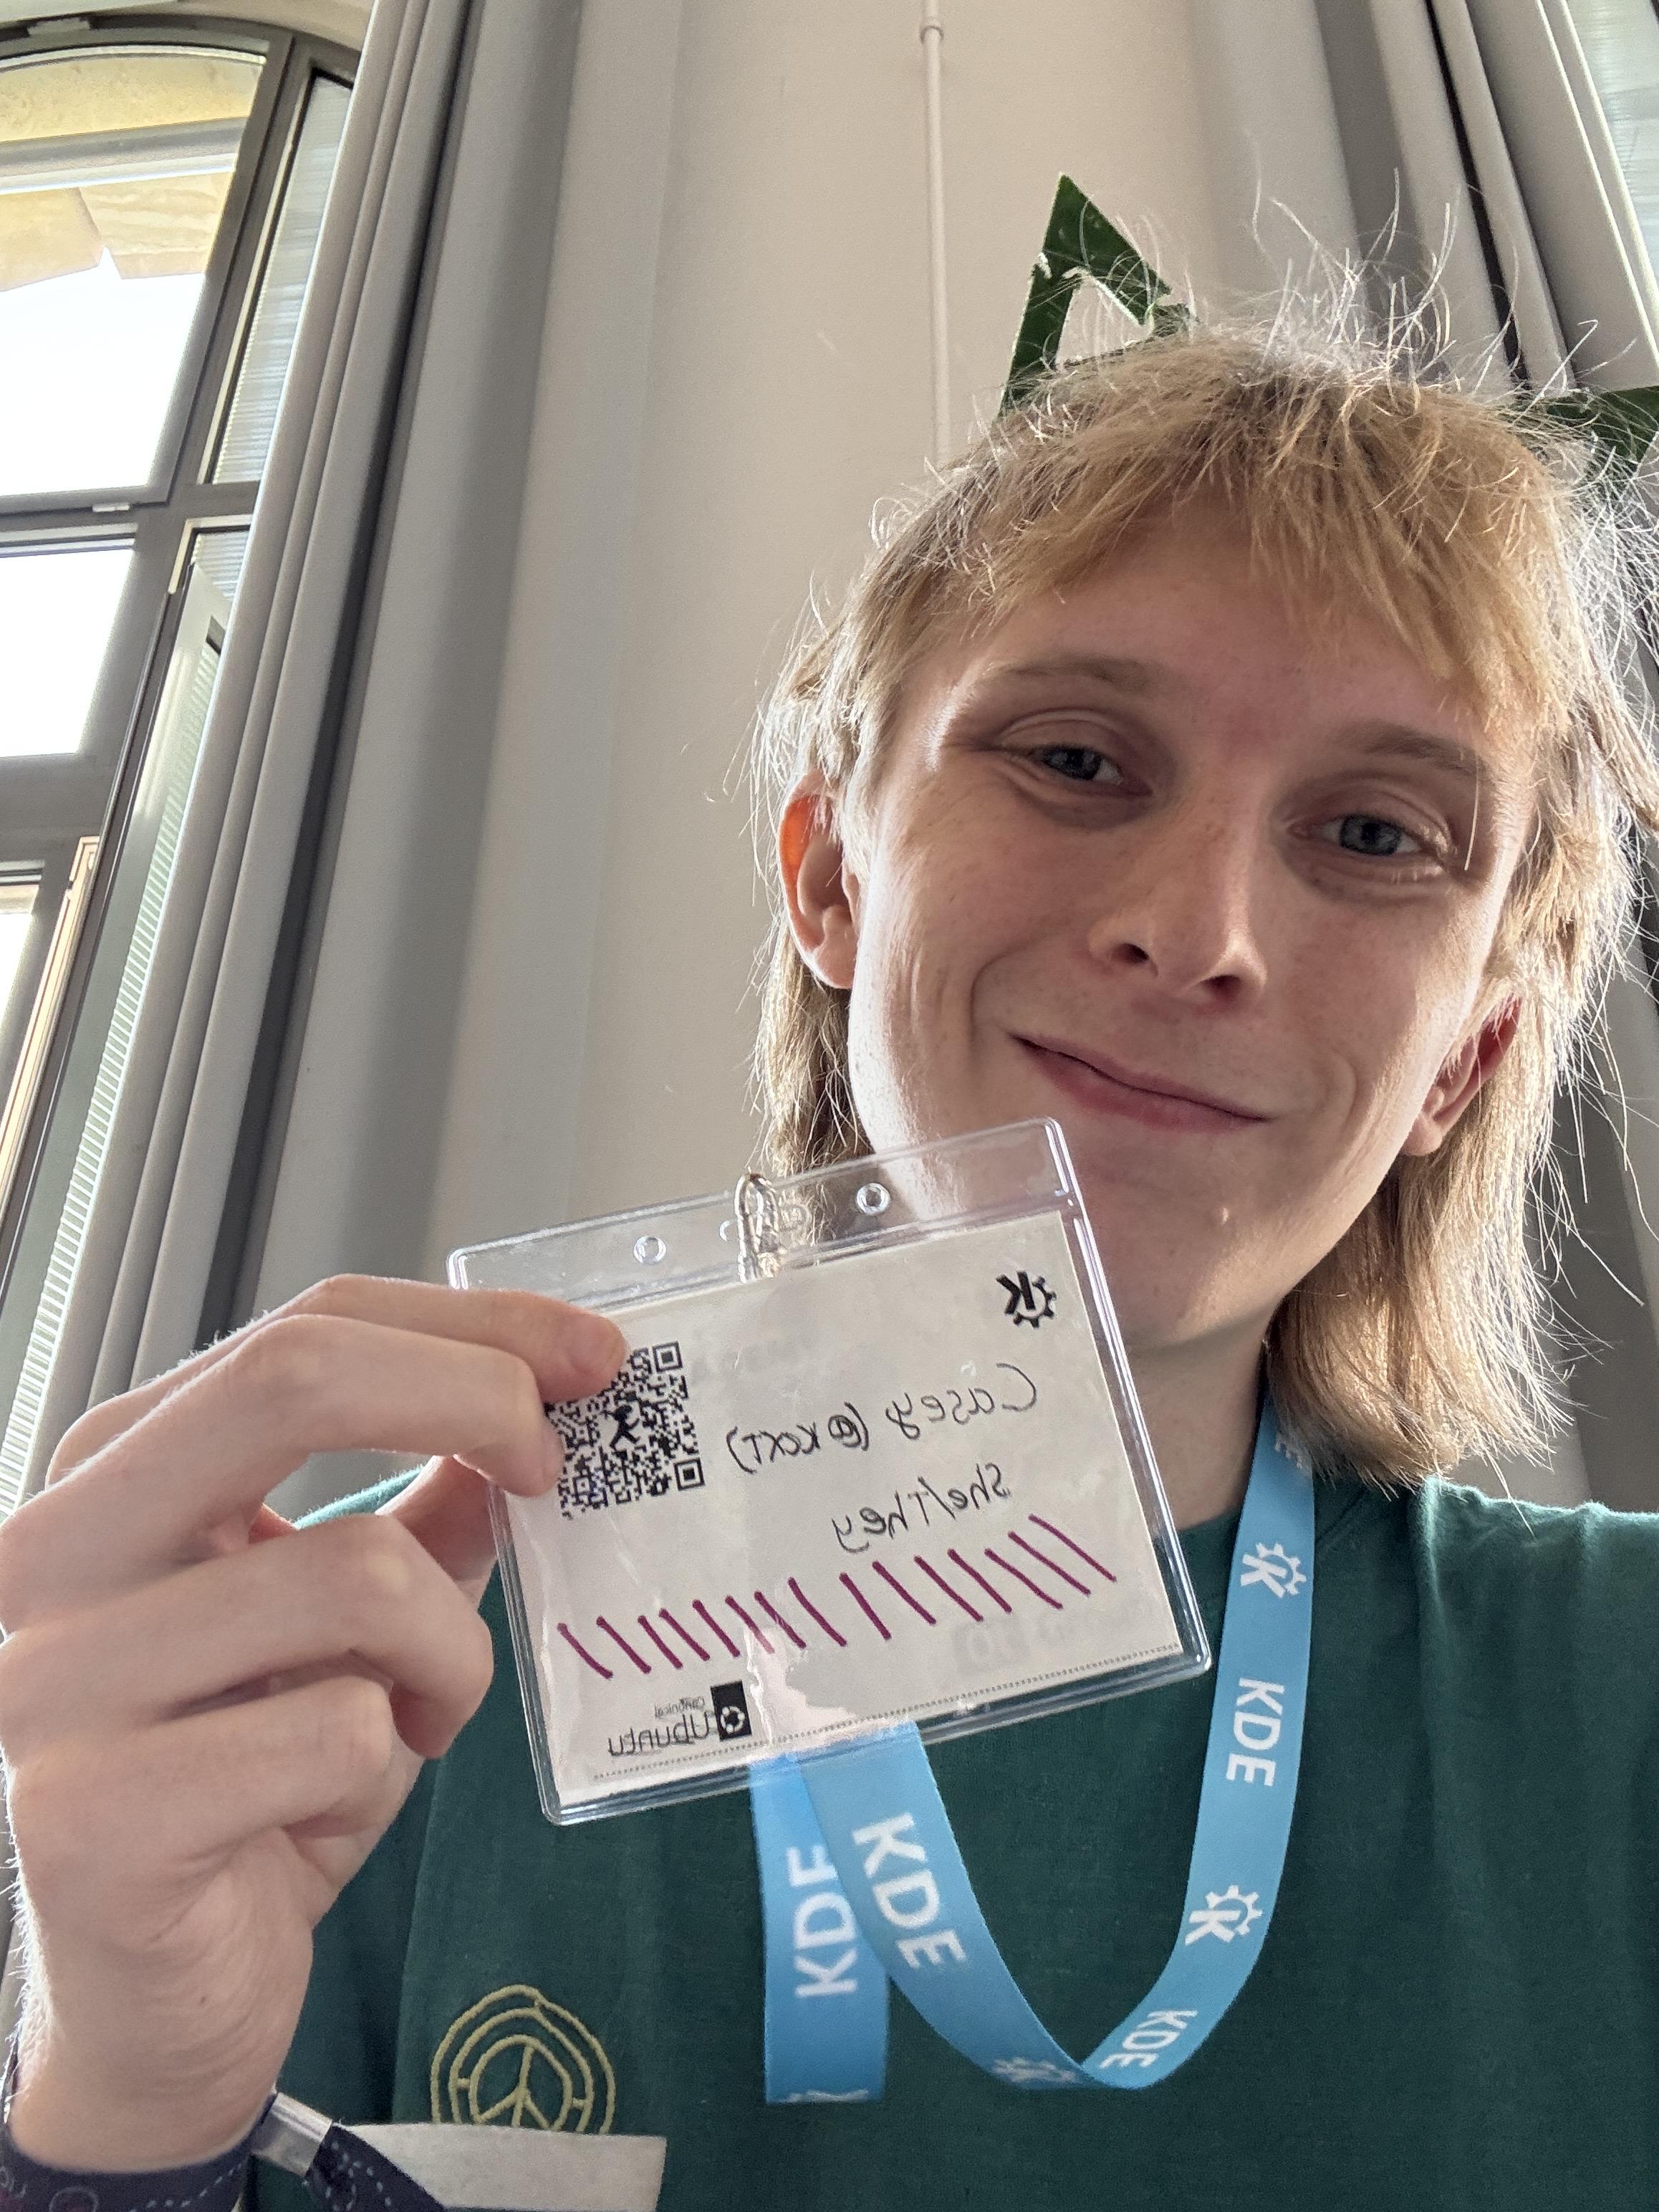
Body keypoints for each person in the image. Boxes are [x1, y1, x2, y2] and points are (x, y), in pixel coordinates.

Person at [6, 312, 1659, 2212]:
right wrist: (126, 2117)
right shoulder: (355, 1660)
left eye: (1373, 832)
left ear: (1462, 1059)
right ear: (827, 878)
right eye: (1076, 759)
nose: (1200, 929)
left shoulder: (1617, 1695)